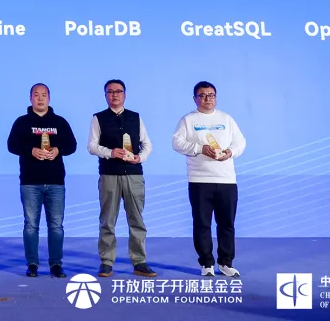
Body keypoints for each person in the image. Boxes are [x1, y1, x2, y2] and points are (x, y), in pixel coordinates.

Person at [171, 81, 246, 278]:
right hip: (199, 180)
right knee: (202, 224)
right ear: (195, 98)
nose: (207, 99)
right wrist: (199, 148)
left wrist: (230, 152)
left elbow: (240, 142)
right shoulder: (188, 120)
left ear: (216, 97)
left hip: (226, 180)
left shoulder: (226, 118)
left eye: (211, 95)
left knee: (227, 224)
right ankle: (206, 263)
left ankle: (226, 263)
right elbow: (177, 143)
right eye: (202, 95)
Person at [6, 83, 77, 279]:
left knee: (56, 226)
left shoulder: (60, 122)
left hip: (55, 182)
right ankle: (32, 264)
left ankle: (56, 264)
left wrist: (58, 150)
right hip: (30, 181)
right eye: (36, 95)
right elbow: (11, 145)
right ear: (30, 98)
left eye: (43, 95)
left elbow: (72, 145)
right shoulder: (22, 122)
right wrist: (31, 150)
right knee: (31, 225)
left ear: (49, 98)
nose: (40, 98)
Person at [88, 79, 156, 278]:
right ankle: (106, 262)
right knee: (107, 220)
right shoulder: (98, 118)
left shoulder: (135, 117)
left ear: (125, 94)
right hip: (109, 174)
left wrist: (139, 158)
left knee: (137, 220)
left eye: (118, 91)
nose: (114, 95)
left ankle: (139, 261)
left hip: (133, 175)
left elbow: (147, 145)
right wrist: (110, 152)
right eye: (110, 92)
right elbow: (92, 146)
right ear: (105, 95)